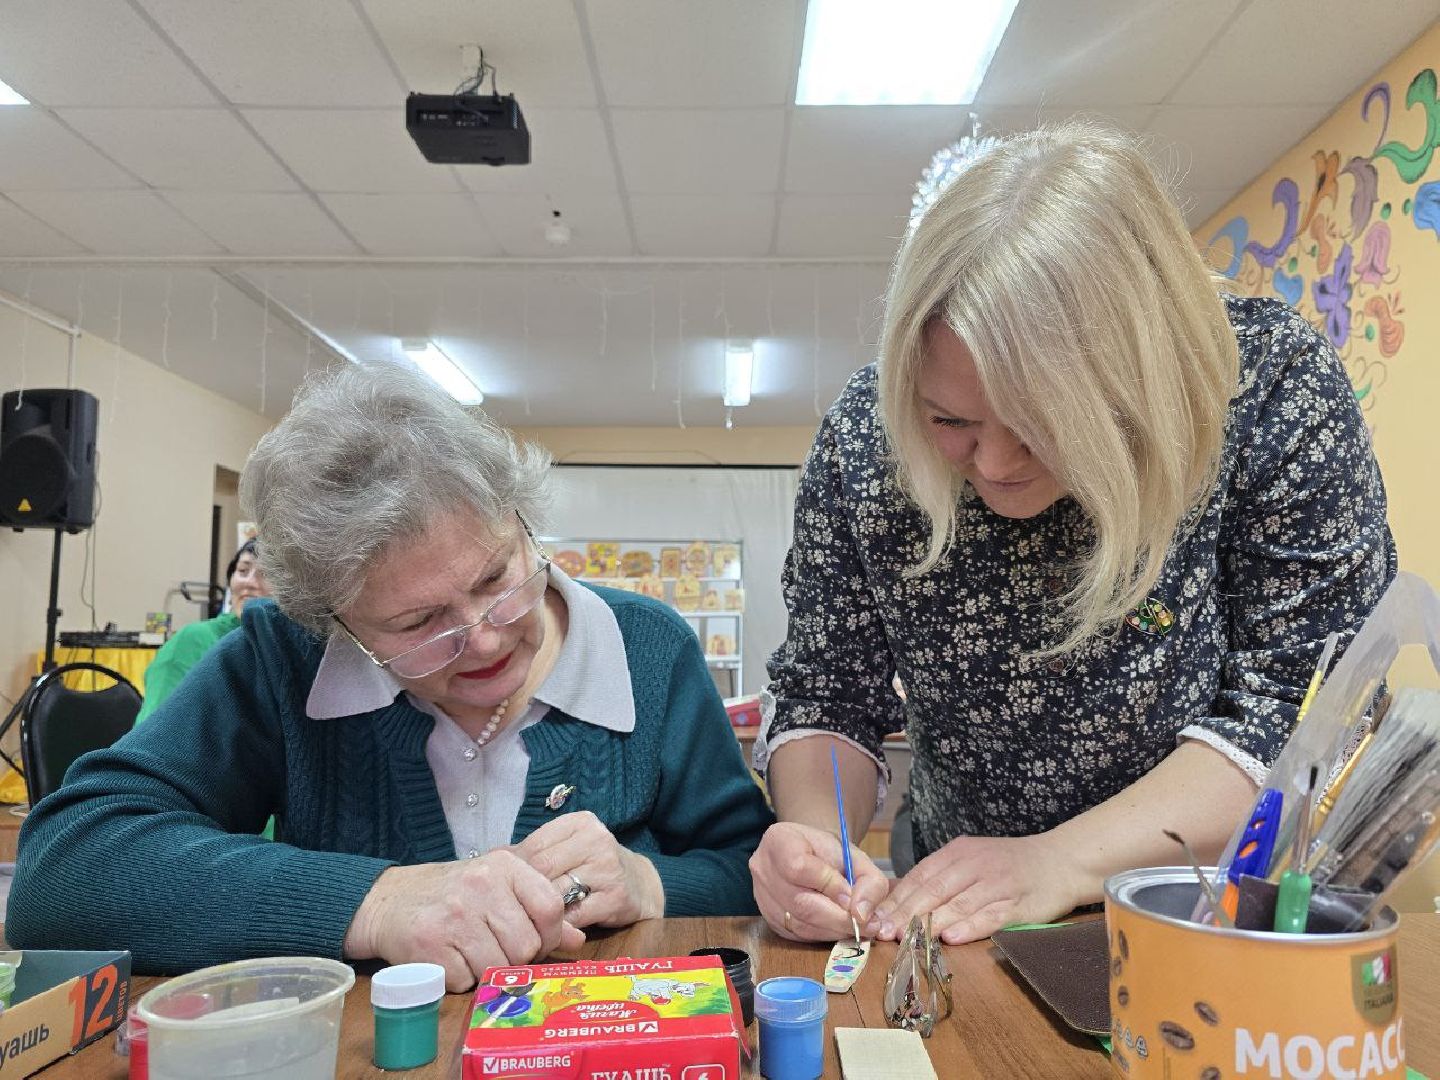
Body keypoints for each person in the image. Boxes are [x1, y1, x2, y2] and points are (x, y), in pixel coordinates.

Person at [750, 122, 1396, 947]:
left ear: (1137, 376)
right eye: (951, 420)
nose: (992, 462)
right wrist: (815, 844)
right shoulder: (868, 438)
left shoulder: (1267, 389)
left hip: (1226, 912)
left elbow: (1307, 718)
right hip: (970, 909)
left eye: (1042, 425)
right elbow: (828, 690)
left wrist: (1058, 861)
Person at [10, 362, 773, 989]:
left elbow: (748, 868)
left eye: (497, 577)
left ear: (525, 524)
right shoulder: (281, 658)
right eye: (418, 625)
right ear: (333, 623)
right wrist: (374, 903)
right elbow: (62, 877)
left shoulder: (648, 649)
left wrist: (648, 883)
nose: (482, 639)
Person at [134, 538, 270, 723]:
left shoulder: (281, 648)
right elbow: (155, 730)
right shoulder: (194, 641)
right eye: (242, 571)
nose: (249, 582)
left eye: (266, 573)